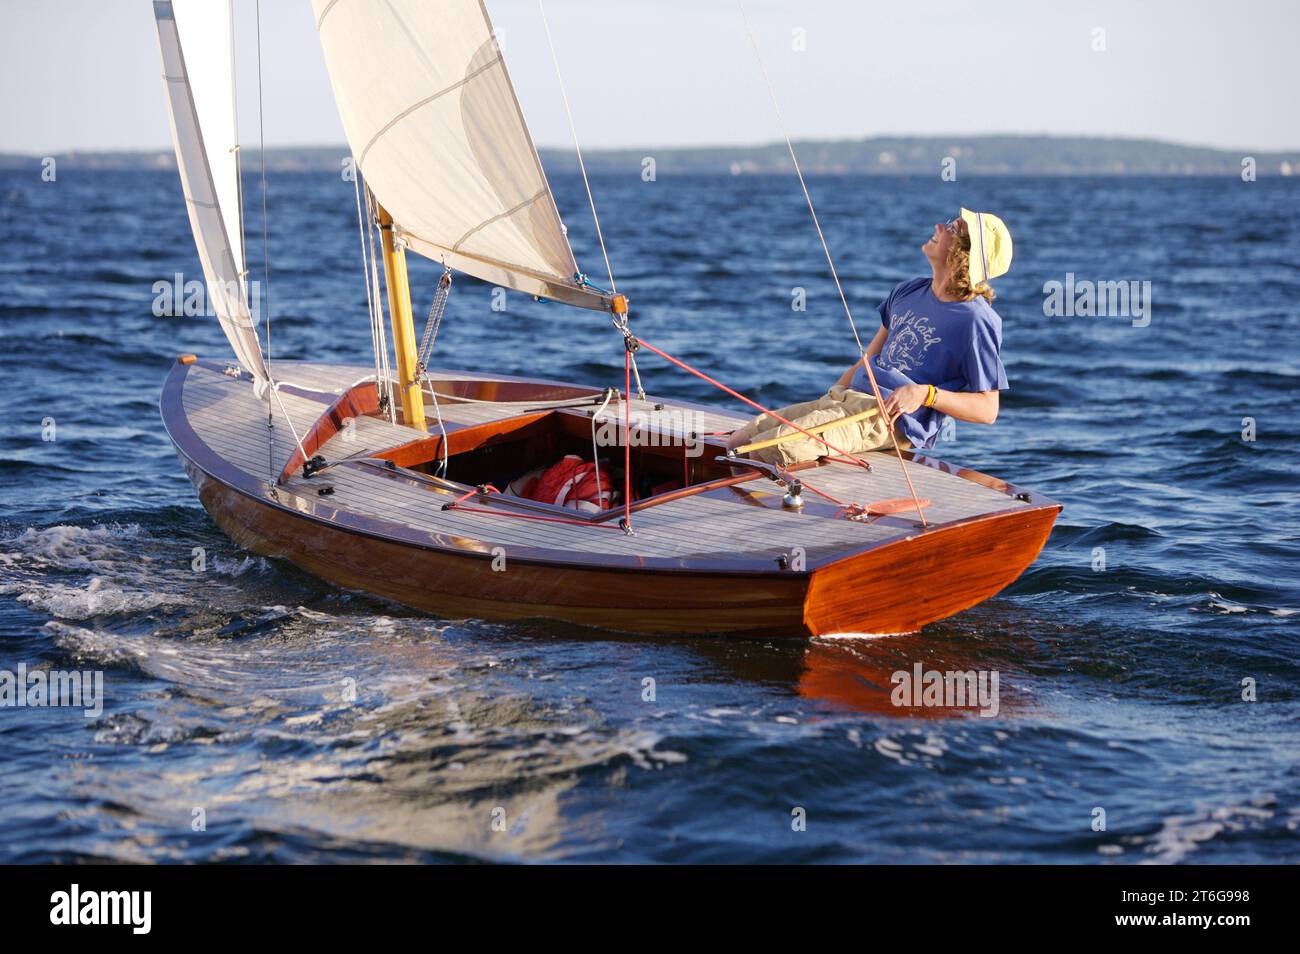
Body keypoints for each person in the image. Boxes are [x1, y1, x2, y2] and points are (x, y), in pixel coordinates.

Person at [726, 207, 1013, 467]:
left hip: (887, 420)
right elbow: (869, 358)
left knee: (770, 450)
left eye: (952, 229)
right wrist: (832, 395)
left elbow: (988, 409)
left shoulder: (976, 319)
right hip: (846, 399)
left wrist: (925, 394)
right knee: (738, 441)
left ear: (964, 256)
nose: (939, 226)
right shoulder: (909, 291)